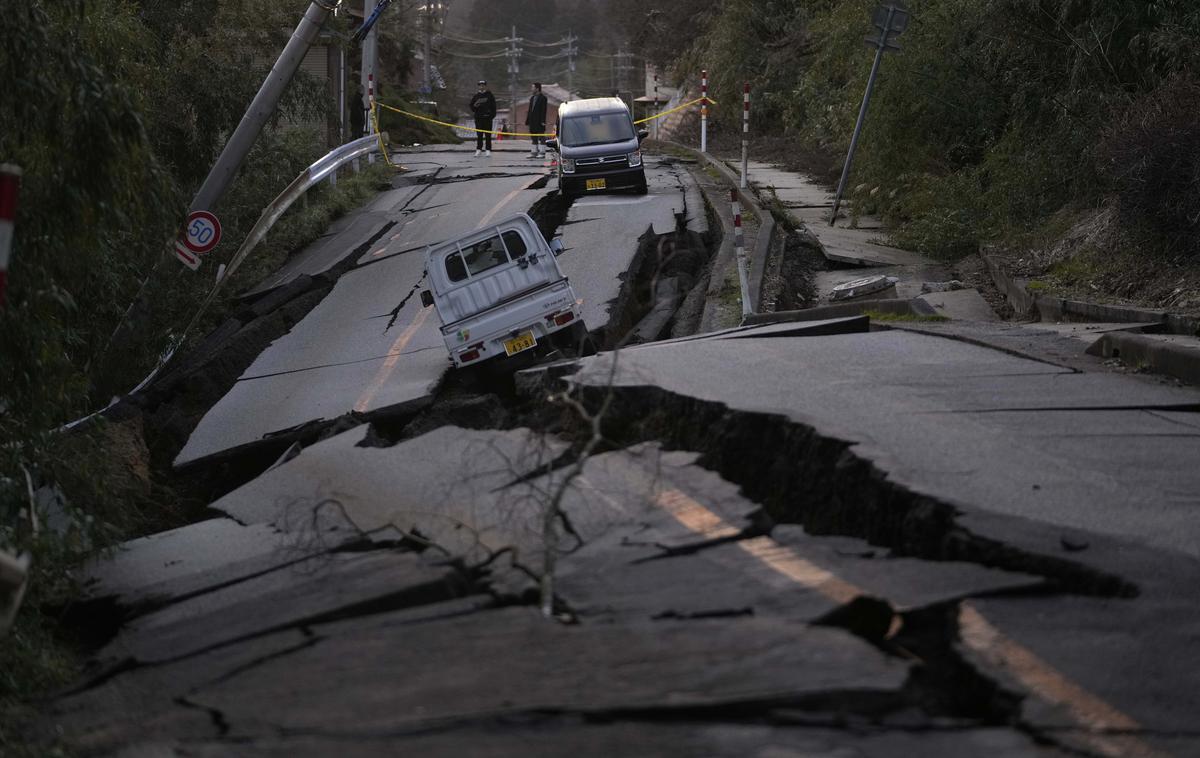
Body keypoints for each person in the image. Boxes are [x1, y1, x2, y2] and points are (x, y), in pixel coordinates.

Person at [469, 80, 496, 157]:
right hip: (479, 119)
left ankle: (488, 150)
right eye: (480, 85)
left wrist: (491, 116)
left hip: (487, 119)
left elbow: (494, 107)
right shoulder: (476, 96)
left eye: (483, 85)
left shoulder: (490, 95)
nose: (481, 86)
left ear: (485, 86)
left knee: (488, 135)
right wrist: (475, 106)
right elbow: (471, 107)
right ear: (478, 86)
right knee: (479, 135)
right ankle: (479, 149)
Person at [526, 82, 548, 159]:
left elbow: (543, 111)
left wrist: (543, 121)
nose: (532, 89)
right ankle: (534, 152)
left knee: (541, 137)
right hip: (532, 121)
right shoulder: (532, 98)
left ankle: (542, 153)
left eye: (533, 88)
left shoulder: (543, 98)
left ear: (537, 89)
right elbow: (530, 110)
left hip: (539, 121)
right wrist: (527, 121)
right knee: (533, 137)